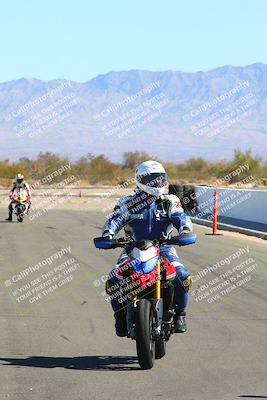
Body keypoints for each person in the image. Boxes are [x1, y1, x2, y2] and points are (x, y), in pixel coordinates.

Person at [102, 160, 193, 337]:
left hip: (164, 248)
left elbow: (181, 217)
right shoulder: (127, 202)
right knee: (113, 279)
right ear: (140, 180)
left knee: (182, 276)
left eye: (160, 179)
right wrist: (108, 234)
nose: (157, 183)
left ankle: (180, 314)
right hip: (132, 249)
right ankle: (119, 317)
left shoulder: (169, 201)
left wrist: (186, 230)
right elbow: (115, 219)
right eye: (152, 180)